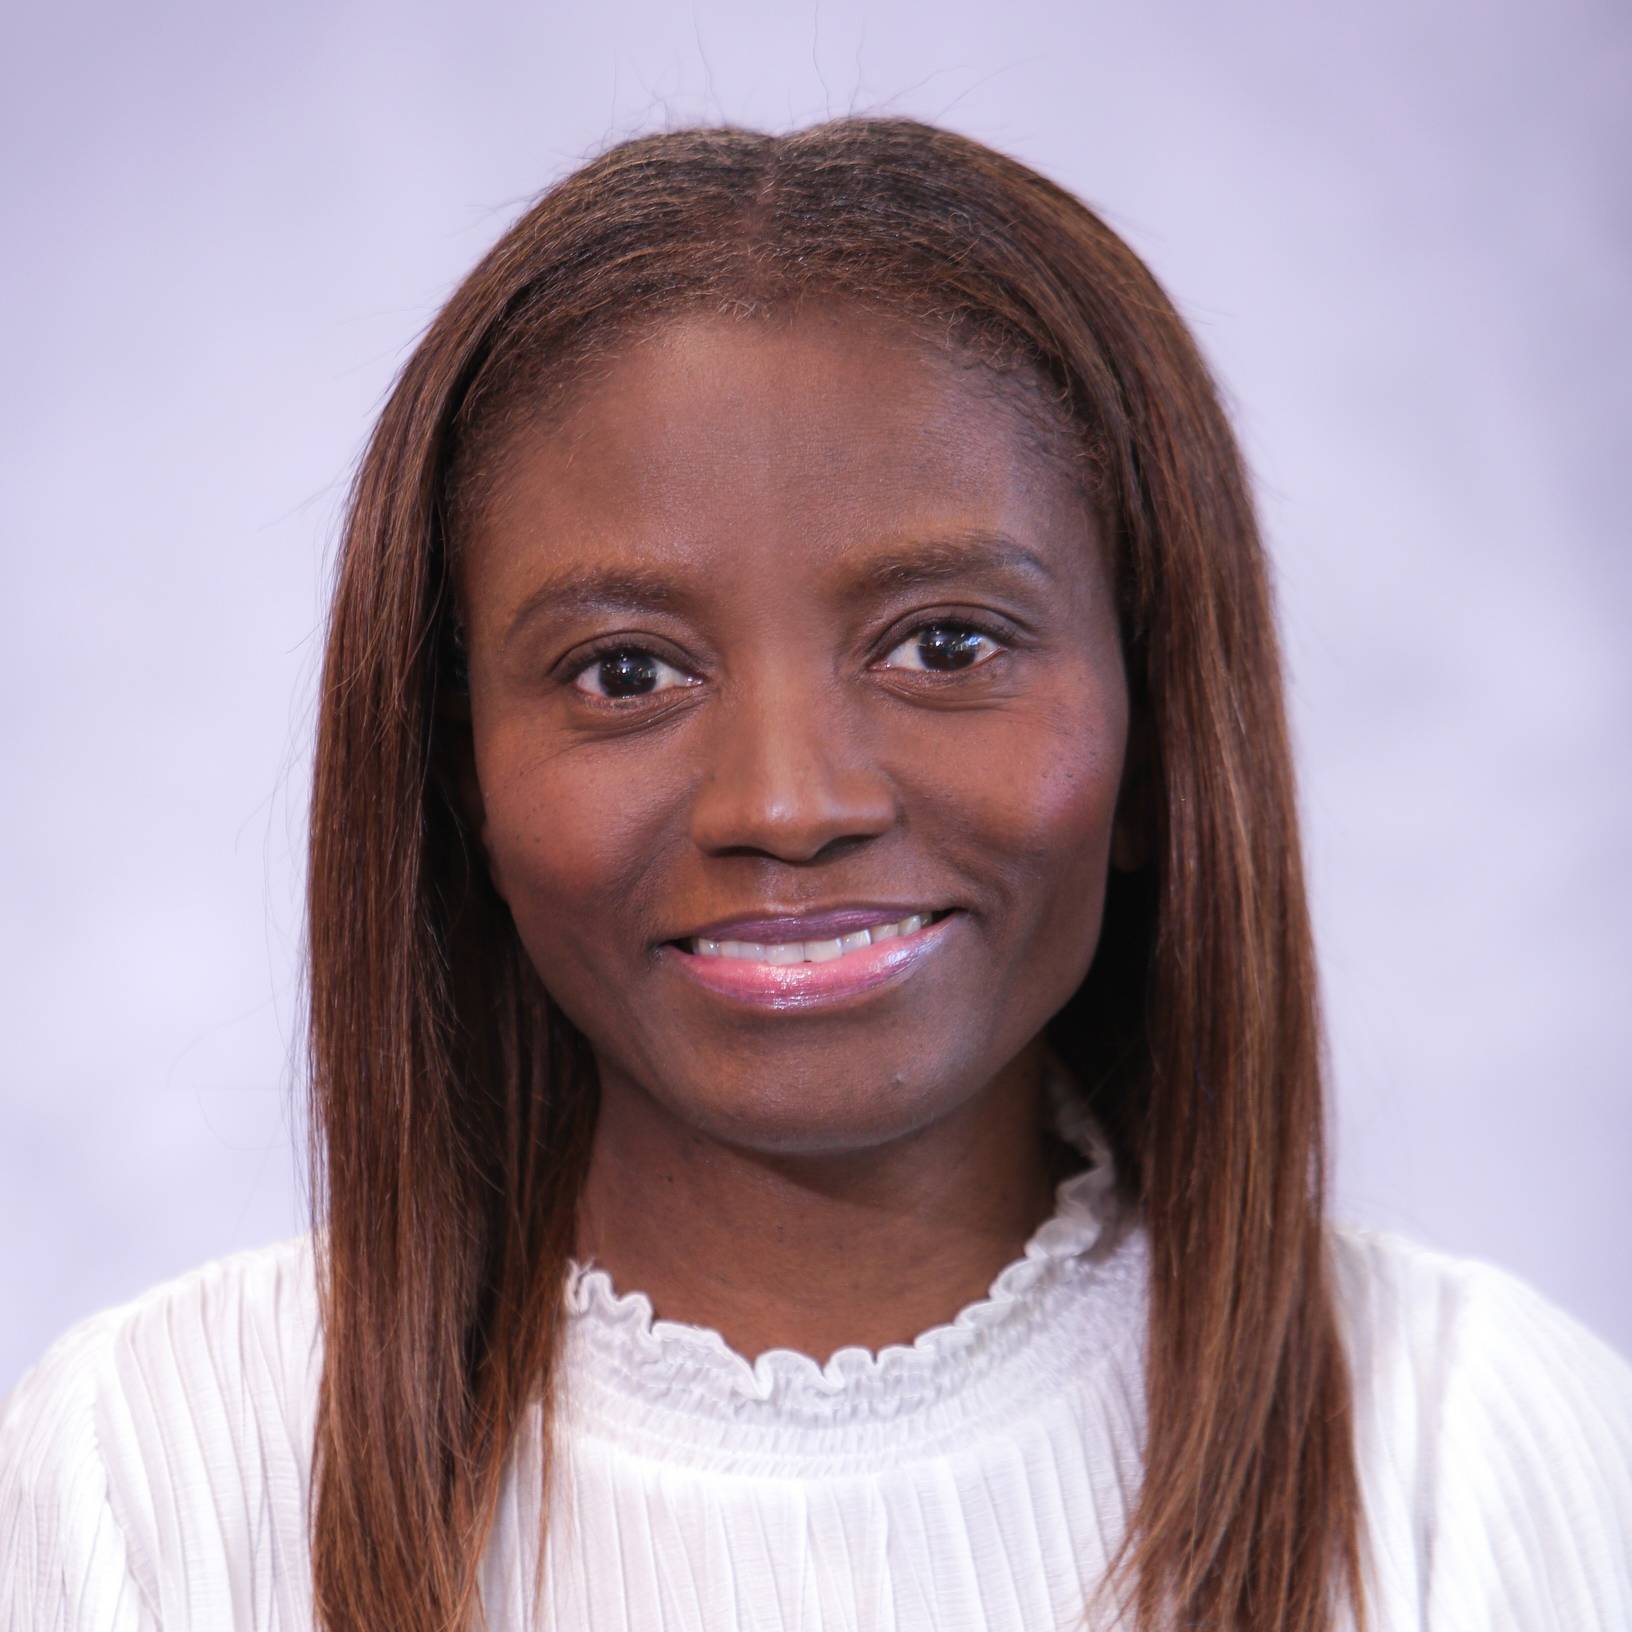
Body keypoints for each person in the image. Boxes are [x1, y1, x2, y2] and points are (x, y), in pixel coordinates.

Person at [2, 116, 1629, 1632]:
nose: (788, 803)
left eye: (946, 643)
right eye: (625, 674)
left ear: (1160, 732)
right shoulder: (146, 1480)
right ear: (457, 778)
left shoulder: (1475, 1453)